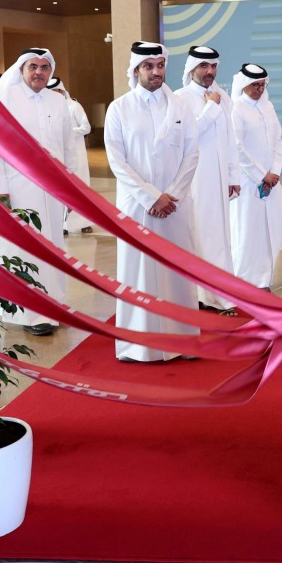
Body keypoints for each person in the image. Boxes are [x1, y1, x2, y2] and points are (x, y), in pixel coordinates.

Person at [105, 42, 201, 362]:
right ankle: (139, 345)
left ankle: (182, 340)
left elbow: (192, 154)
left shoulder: (181, 107)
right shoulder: (119, 108)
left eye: (160, 65)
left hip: (176, 204)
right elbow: (117, 161)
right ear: (135, 70)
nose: (156, 72)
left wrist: (170, 195)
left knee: (177, 269)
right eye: (149, 66)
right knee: (139, 272)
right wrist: (150, 196)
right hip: (137, 205)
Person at [0, 47, 77, 337]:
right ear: (21, 69)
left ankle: (55, 304)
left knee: (53, 246)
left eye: (45, 68)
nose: (39, 72)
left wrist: (71, 189)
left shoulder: (58, 102)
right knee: (24, 249)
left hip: (53, 191)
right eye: (33, 66)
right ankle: (30, 313)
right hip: (17, 191)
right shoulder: (2, 99)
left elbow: (68, 147)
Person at [176, 45, 241, 314]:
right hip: (195, 180)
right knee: (200, 237)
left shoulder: (222, 96)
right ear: (192, 68)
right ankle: (202, 295)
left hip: (219, 180)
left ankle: (219, 295)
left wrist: (233, 175)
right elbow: (188, 136)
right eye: (204, 66)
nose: (210, 72)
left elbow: (230, 140)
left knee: (219, 238)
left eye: (213, 66)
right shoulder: (180, 98)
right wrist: (211, 108)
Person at [229, 63, 282, 289]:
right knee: (247, 230)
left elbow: (277, 140)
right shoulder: (236, 109)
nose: (260, 89)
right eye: (255, 85)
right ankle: (245, 280)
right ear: (244, 84)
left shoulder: (268, 107)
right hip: (247, 181)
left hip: (270, 182)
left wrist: (273, 171)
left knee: (273, 226)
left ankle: (264, 278)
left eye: (262, 85)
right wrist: (261, 174)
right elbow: (237, 147)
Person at [48, 76, 93, 234]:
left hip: (77, 156)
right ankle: (63, 225)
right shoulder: (49, 109)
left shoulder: (74, 106)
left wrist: (68, 133)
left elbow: (86, 127)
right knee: (61, 189)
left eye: (56, 91)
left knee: (80, 189)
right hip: (58, 156)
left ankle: (83, 223)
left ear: (62, 90)